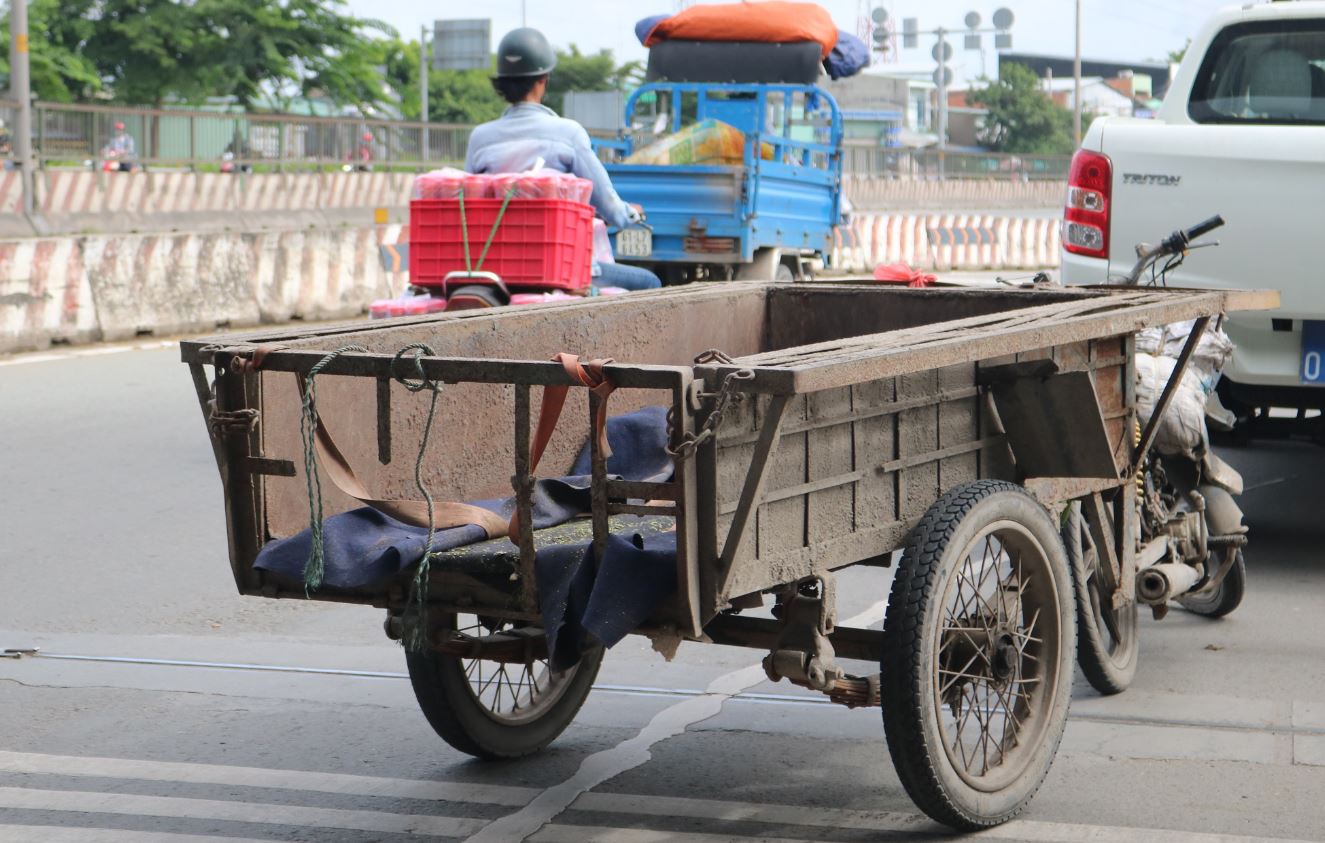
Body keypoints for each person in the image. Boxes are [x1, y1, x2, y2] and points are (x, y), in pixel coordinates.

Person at [465, 28, 662, 292]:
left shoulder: (480, 138)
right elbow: (608, 205)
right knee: (650, 282)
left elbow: (470, 202)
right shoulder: (568, 133)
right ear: (544, 79)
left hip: (494, 267)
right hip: (557, 268)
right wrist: (629, 214)